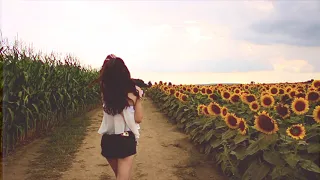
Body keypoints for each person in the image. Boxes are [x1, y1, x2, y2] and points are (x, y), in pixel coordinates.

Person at [95, 54, 143, 180]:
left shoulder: (105, 94)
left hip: (108, 141)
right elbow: (138, 119)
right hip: (125, 140)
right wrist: (138, 99)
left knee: (120, 176)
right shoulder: (132, 95)